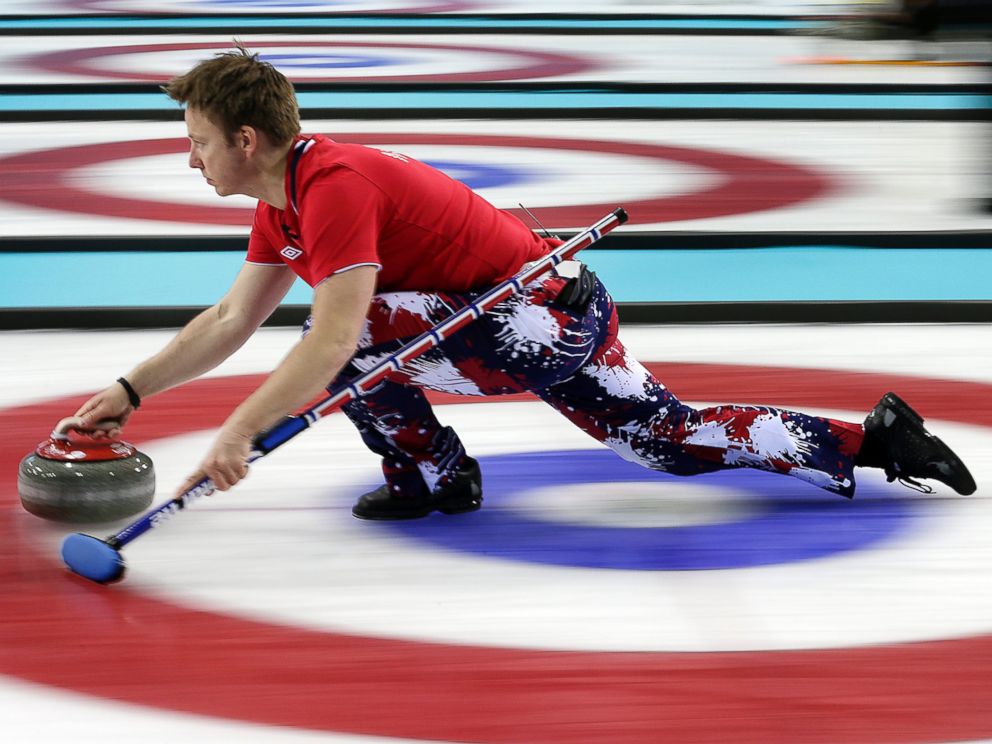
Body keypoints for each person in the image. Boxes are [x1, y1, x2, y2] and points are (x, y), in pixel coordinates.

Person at [71, 45, 976, 521]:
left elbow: (336, 341)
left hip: (532, 318)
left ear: (246, 140)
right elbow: (232, 317)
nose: (187, 158)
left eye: (195, 139)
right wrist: (130, 392)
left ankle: (434, 474)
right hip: (539, 306)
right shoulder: (287, 201)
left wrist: (240, 428)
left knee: (345, 347)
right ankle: (875, 440)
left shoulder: (334, 187)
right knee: (658, 440)